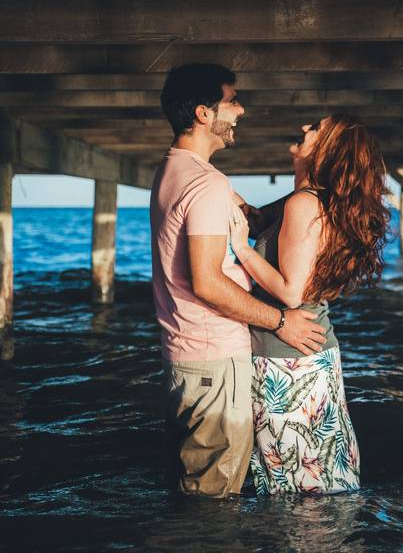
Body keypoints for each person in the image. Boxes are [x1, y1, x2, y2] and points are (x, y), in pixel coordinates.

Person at [150, 63, 328, 499]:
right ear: (203, 114)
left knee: (197, 483)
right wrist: (280, 321)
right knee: (214, 497)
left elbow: (256, 218)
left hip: (187, 357)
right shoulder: (206, 184)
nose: (241, 110)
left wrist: (317, 191)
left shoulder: (175, 170)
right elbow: (208, 283)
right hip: (213, 360)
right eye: (231, 101)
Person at [228, 114, 390, 494]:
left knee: (296, 482)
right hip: (308, 356)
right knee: (319, 477)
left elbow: (290, 293)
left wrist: (240, 251)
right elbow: (256, 220)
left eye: (315, 129)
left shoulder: (304, 203)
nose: (304, 129)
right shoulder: (307, 199)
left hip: (290, 362)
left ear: (326, 149)